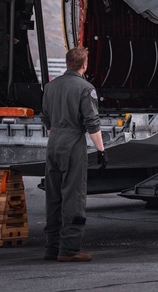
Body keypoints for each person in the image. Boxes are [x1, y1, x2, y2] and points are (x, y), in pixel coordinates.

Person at [41, 46, 107, 262]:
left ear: (67, 62)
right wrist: (101, 150)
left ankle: (52, 246)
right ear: (84, 65)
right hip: (72, 144)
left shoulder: (51, 87)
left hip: (53, 144)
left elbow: (47, 120)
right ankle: (69, 249)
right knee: (73, 196)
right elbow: (91, 122)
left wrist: (57, 136)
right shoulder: (85, 88)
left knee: (54, 196)